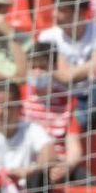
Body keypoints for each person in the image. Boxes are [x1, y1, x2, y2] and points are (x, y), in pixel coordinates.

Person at [36, 0, 96, 130]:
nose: (54, 14)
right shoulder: (47, 37)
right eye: (54, 8)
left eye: (61, 10)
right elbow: (66, 77)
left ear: (79, 12)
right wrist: (94, 63)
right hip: (64, 102)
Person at [21, 42, 84, 182]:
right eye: (33, 67)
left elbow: (74, 146)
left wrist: (66, 166)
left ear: (54, 68)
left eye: (42, 68)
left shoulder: (68, 101)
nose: (37, 72)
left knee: (90, 181)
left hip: (57, 164)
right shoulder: (19, 96)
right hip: (27, 164)